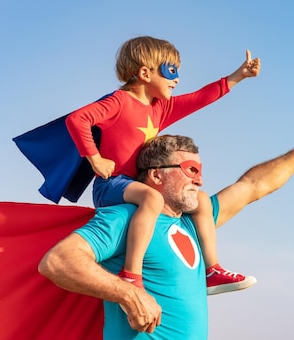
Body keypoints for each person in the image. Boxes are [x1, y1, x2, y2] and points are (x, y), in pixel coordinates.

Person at [39, 121, 294, 339]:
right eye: (190, 171)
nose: (199, 181)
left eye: (200, 172)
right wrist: (128, 294)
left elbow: (253, 186)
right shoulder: (126, 217)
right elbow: (58, 261)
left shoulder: (195, 223)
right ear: (156, 176)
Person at [65, 36, 260, 293]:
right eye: (170, 70)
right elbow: (77, 119)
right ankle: (131, 275)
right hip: (111, 185)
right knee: (152, 198)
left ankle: (212, 271)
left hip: (137, 185)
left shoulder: (161, 108)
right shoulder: (119, 102)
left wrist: (239, 76)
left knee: (199, 200)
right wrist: (95, 159)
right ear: (145, 73)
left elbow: (200, 98)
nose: (177, 78)